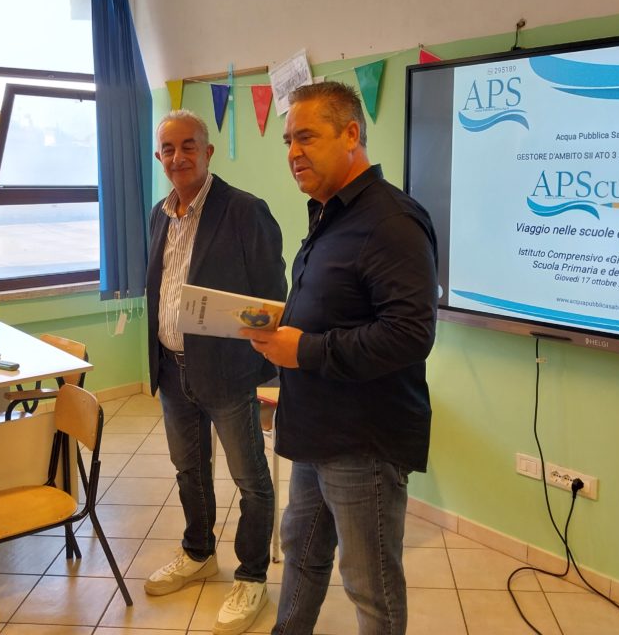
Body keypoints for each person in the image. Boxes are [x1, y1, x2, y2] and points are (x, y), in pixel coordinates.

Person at [243, 82, 438, 635]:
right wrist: (282, 325)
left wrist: (302, 348)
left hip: (363, 442)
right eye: (288, 140)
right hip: (314, 429)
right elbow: (341, 305)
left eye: (306, 137)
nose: (293, 152)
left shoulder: (392, 221)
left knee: (369, 585)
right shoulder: (330, 212)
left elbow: (409, 334)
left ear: (351, 134)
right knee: (302, 554)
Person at [145, 109, 286, 635]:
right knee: (189, 469)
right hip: (171, 368)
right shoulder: (159, 214)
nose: (177, 157)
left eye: (188, 146)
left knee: (250, 479)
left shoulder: (245, 211)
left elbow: (272, 296)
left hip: (227, 373)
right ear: (159, 157)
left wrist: (257, 364)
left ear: (207, 152)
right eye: (168, 149)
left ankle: (251, 576)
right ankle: (198, 552)